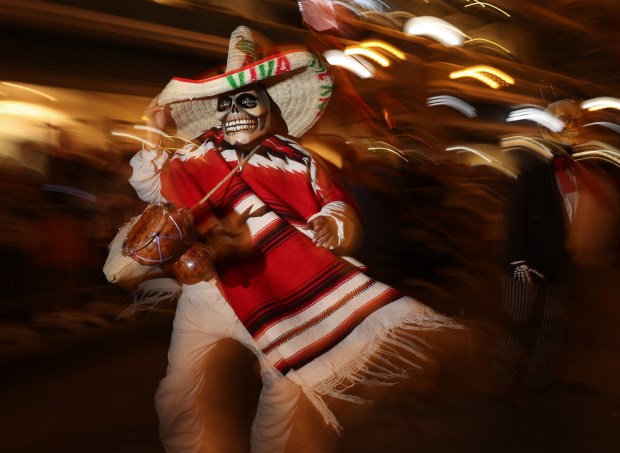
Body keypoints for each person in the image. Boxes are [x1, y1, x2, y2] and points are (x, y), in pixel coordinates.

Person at [110, 26, 458, 453]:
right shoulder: (197, 154)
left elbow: (334, 204)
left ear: (268, 107)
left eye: (247, 100)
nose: (235, 111)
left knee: (287, 392)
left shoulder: (298, 160)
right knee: (180, 392)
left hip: (280, 291)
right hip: (207, 293)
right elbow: (152, 188)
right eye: (227, 103)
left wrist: (333, 225)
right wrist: (151, 131)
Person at [490, 96, 599, 395]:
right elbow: (515, 212)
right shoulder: (530, 164)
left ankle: (540, 381)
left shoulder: (574, 167)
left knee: (553, 324)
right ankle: (502, 381)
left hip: (559, 260)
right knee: (517, 323)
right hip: (524, 261)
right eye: (566, 122)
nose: (573, 129)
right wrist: (517, 261)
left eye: (575, 123)